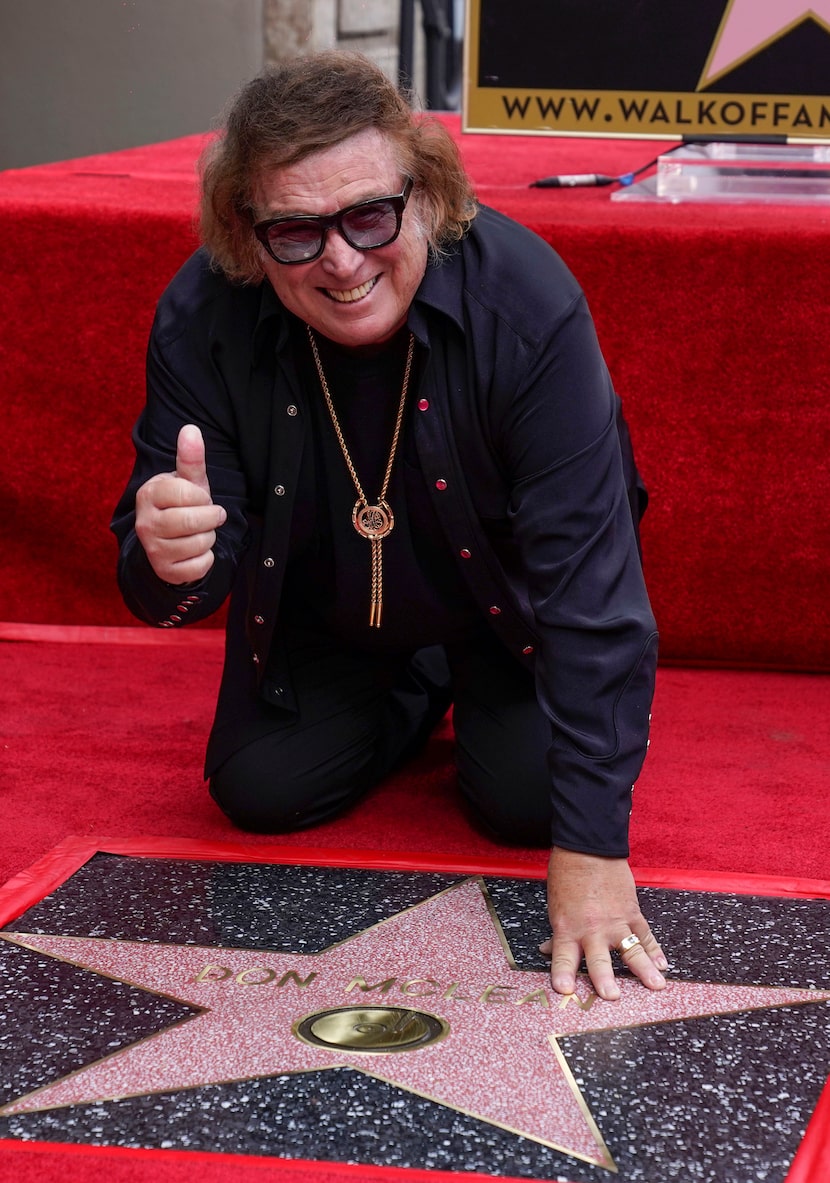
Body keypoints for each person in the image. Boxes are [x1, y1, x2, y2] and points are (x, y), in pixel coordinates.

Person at [111, 50, 667, 1000]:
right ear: (247, 235)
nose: (342, 259)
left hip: (509, 614)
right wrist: (169, 563)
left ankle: (465, 677)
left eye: (371, 215)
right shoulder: (203, 313)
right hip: (328, 614)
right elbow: (175, 575)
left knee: (533, 801)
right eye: (296, 232)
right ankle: (415, 686)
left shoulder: (525, 302)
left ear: (428, 192)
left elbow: (593, 586)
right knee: (262, 789)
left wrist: (593, 853)